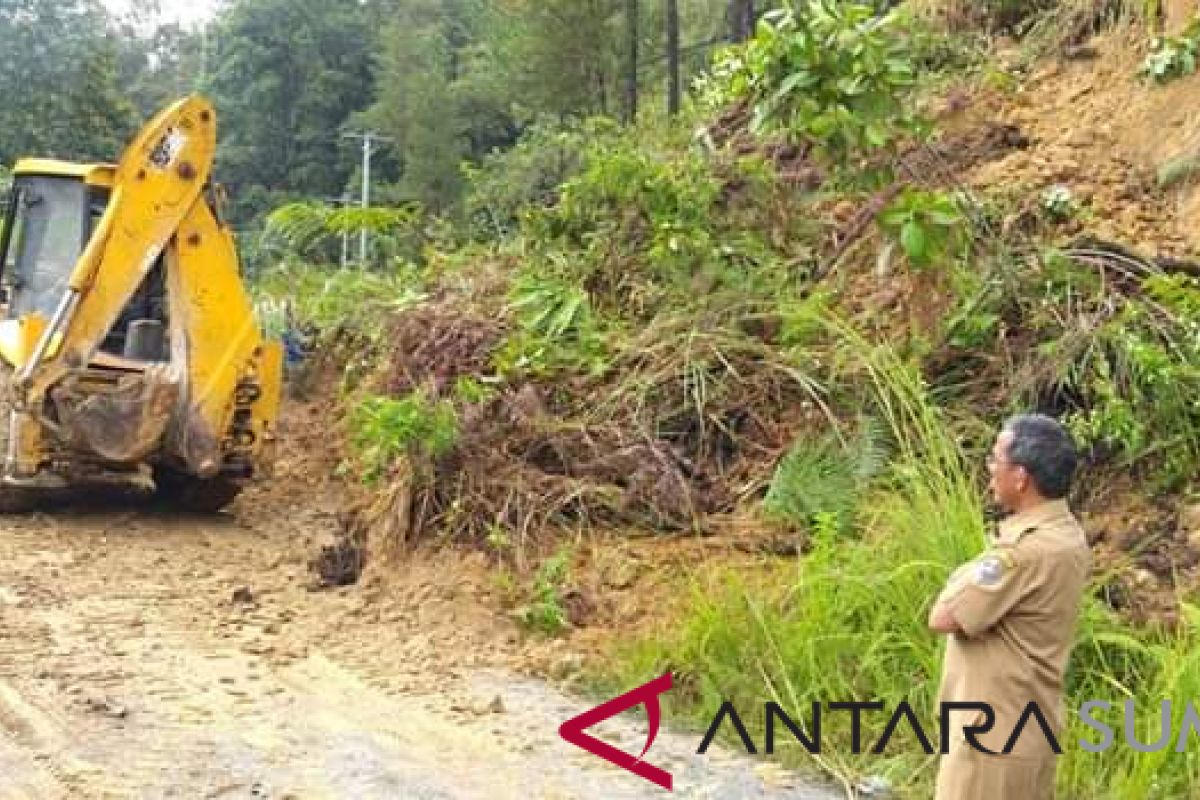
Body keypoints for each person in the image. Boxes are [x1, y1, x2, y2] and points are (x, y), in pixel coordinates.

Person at [928, 414, 1091, 799]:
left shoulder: (1023, 553)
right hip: (1026, 730)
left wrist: (959, 576)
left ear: (1020, 477)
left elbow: (944, 616)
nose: (989, 470)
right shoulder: (1066, 536)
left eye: (994, 460)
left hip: (993, 739)